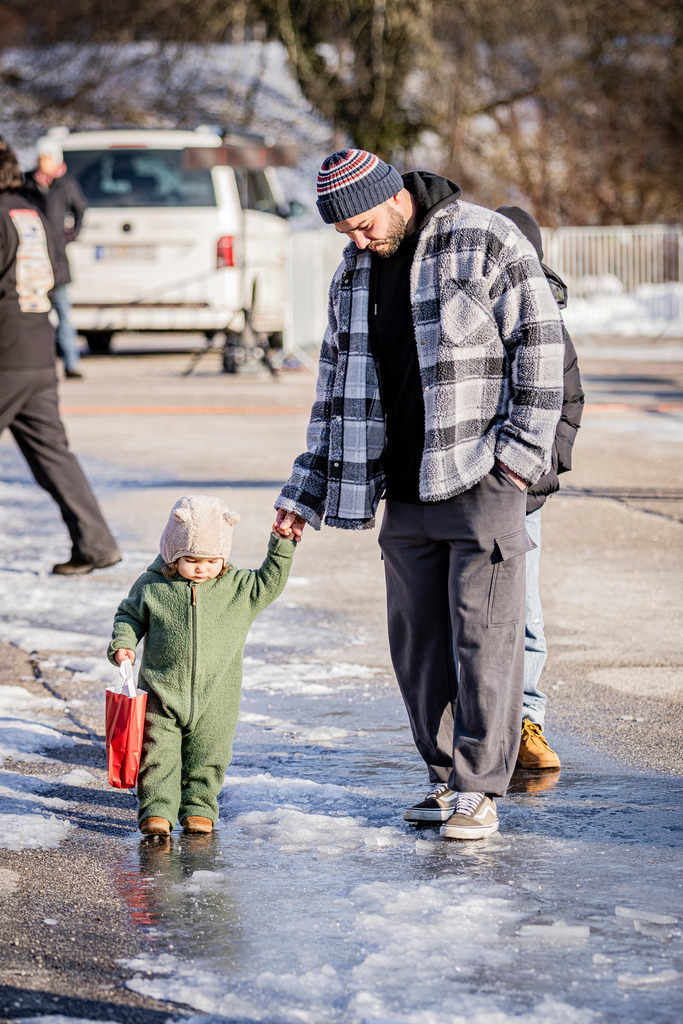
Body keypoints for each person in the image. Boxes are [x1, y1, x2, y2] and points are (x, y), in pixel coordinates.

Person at [275, 149, 565, 840]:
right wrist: (305, 488)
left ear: (395, 199)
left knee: (484, 641)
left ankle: (477, 790)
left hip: (480, 477)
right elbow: (334, 387)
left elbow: (541, 346)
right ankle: (441, 779)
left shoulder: (484, 237)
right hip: (401, 488)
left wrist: (517, 461)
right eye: (343, 230)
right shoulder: (353, 273)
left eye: (363, 223)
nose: (357, 238)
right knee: (418, 648)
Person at [107, 495, 296, 837]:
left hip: (217, 698)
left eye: (211, 560)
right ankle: (157, 812)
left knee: (209, 756)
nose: (201, 568)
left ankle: (198, 808)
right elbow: (129, 615)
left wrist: (282, 544)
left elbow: (271, 580)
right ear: (171, 554)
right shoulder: (153, 586)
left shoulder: (239, 588)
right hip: (161, 693)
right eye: (191, 559)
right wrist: (123, 643)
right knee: (158, 756)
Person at [0, 138, 120, 576]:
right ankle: (96, 543)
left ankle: (96, 543)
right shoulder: (28, 209)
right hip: (36, 345)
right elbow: (55, 271)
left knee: (52, 455)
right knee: (53, 455)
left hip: (5, 353)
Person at [495, 206, 584, 773]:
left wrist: (534, 470)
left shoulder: (548, 316)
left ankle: (527, 720)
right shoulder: (468, 303)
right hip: (462, 489)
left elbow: (569, 406)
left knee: (523, 612)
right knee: (464, 616)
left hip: (521, 496)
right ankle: (475, 729)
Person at [22, 135, 88, 378]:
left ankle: (71, 363)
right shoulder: (27, 184)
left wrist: (70, 236)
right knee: (36, 316)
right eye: (41, 158)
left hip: (58, 260)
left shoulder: (66, 184)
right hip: (32, 259)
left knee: (63, 314)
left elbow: (81, 211)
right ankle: (39, 363)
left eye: (47, 158)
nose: (43, 163)